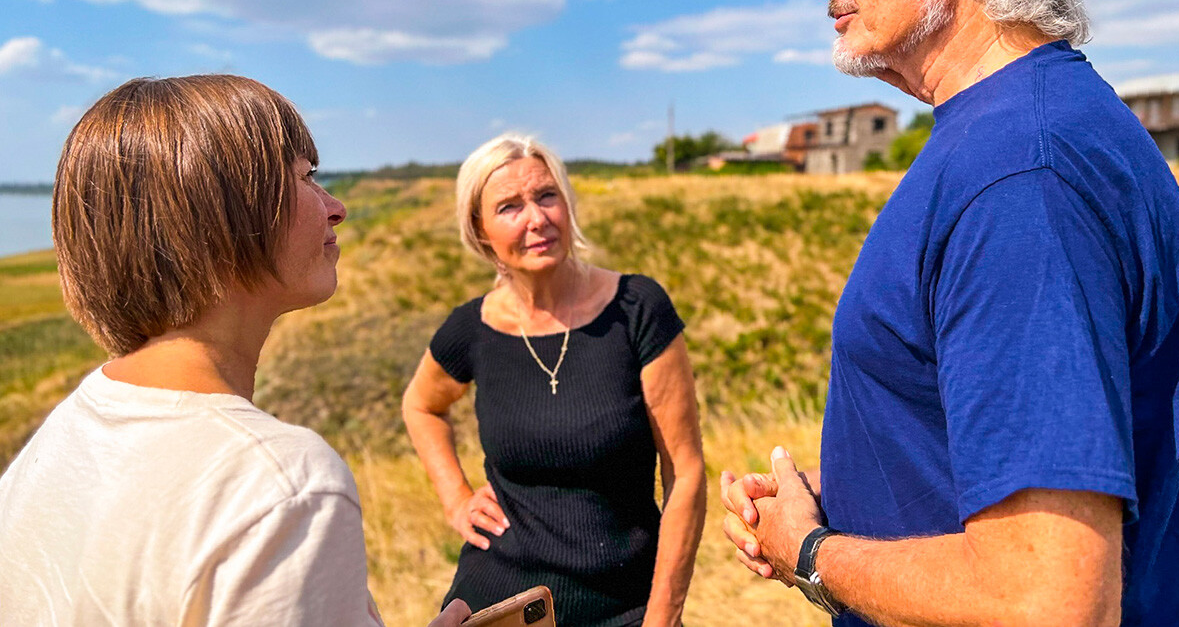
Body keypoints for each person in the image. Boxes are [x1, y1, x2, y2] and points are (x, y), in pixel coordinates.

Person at [721, 0, 1179, 626]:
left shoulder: (1018, 174)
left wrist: (810, 550)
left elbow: (1048, 597)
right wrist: (860, 490)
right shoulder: (1028, 131)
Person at [0, 75, 471, 627]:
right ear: (221, 216)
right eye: (306, 177)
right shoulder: (281, 487)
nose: (335, 207)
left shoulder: (61, 440)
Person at [403, 134, 705, 627]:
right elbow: (421, 406)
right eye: (509, 207)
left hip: (623, 601)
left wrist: (663, 615)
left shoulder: (637, 310)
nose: (536, 218)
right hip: (501, 597)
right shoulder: (471, 329)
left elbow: (686, 474)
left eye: (547, 196)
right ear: (480, 231)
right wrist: (455, 497)